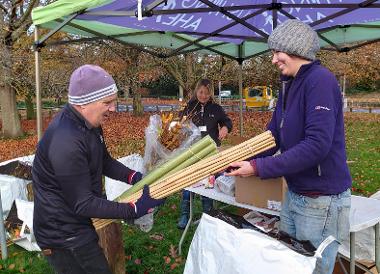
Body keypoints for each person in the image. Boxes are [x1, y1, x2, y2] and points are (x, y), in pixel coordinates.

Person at [226, 19, 351, 274]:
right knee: (287, 266)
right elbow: (273, 135)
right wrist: (232, 160)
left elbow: (317, 145)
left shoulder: (321, 82)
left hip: (321, 200)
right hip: (294, 194)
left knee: (311, 269)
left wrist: (258, 168)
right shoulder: (289, 84)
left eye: (277, 52)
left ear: (296, 50)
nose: (273, 60)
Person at [32, 64, 165, 274]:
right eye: (107, 102)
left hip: (77, 224)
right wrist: (135, 209)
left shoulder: (90, 124)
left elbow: (104, 161)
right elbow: (83, 203)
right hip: (63, 236)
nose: (113, 108)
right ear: (84, 103)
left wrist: (135, 177)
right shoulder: (66, 141)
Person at [177, 78, 233, 229]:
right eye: (201, 92)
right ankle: (185, 214)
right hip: (191, 152)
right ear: (196, 91)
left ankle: (208, 213)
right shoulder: (189, 107)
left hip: (210, 152)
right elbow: (179, 123)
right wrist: (180, 127)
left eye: (207, 93)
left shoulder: (216, 108)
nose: (203, 96)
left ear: (211, 94)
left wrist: (225, 128)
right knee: (189, 183)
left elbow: (227, 122)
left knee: (208, 184)